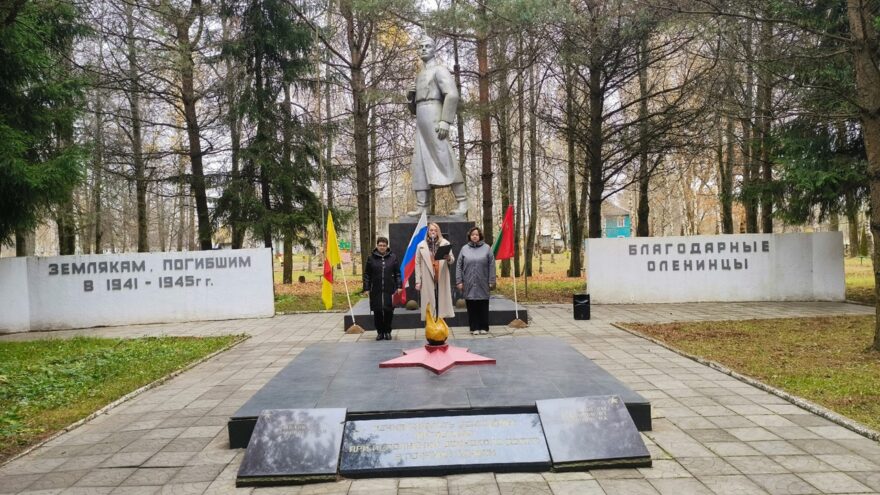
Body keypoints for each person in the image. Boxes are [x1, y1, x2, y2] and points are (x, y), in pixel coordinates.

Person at [406, 35, 468, 217]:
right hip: (421, 118)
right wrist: (410, 97)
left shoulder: (440, 70)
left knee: (444, 157)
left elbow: (452, 95)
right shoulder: (419, 76)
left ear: (434, 49)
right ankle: (421, 206)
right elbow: (413, 110)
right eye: (420, 46)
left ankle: (462, 201)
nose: (423, 49)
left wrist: (445, 120)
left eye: (427, 46)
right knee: (419, 161)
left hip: (435, 114)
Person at [456, 227, 496, 335]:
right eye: (473, 234)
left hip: (483, 281)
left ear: (480, 236)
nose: (475, 236)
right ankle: (474, 327)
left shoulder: (487, 248)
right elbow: (459, 265)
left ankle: (484, 327)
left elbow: (492, 265)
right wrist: (459, 281)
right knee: (471, 305)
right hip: (468, 282)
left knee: (483, 304)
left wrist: (491, 280)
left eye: (477, 235)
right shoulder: (464, 249)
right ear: (469, 236)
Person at [363, 237, 402, 341]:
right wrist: (366, 288)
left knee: (389, 311)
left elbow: (398, 273)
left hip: (390, 289)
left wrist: (399, 286)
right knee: (378, 311)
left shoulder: (393, 257)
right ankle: (380, 332)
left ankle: (388, 332)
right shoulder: (371, 258)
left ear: (387, 246)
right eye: (380, 245)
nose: (382, 247)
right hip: (376, 290)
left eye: (384, 245)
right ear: (377, 246)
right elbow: (367, 274)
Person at [414, 222, 455, 322]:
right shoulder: (421, 245)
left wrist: (448, 258)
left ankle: (441, 328)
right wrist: (418, 281)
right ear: (428, 232)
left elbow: (452, 259)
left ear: (438, 232)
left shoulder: (445, 243)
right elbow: (417, 263)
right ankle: (431, 329)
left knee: (442, 304)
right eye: (431, 230)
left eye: (435, 230)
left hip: (441, 276)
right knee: (429, 303)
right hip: (428, 276)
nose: (433, 232)